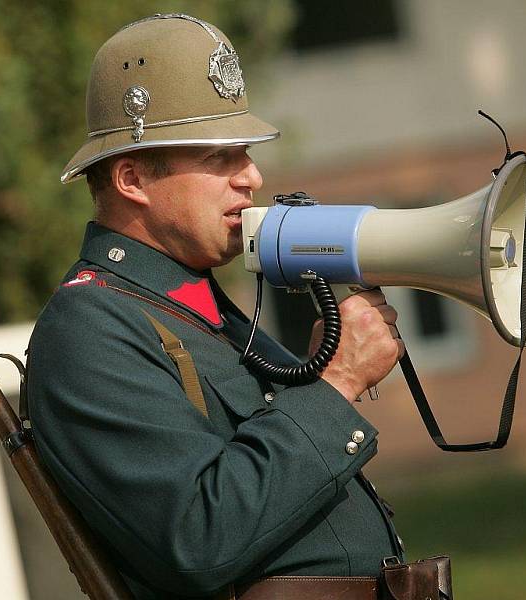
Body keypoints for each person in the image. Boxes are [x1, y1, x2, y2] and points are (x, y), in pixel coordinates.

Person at [28, 13, 407, 600]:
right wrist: (338, 382)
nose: (251, 176)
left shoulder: (186, 304)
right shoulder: (88, 329)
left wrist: (318, 382)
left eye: (245, 154)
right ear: (131, 178)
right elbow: (197, 538)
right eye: (218, 158)